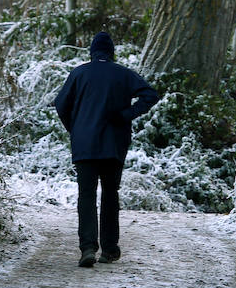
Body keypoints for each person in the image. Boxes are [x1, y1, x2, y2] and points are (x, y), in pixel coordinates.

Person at [53, 32, 160, 267]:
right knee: (110, 195)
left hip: (84, 145)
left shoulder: (79, 73)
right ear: (112, 53)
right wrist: (127, 114)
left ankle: (88, 248)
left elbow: (61, 104)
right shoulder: (122, 74)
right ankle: (109, 249)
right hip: (114, 145)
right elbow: (150, 95)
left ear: (91, 52)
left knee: (87, 196)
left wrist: (75, 128)